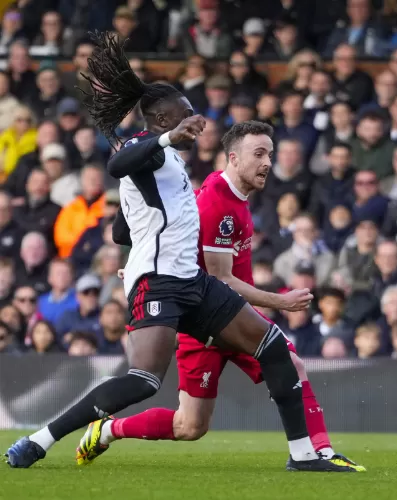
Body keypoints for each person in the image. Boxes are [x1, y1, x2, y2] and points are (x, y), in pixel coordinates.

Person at [5, 33, 349, 473]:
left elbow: (119, 231)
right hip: (159, 284)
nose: (195, 121)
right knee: (143, 381)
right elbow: (117, 166)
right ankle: (39, 439)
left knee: (274, 347)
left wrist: (138, 213)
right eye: (186, 115)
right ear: (162, 119)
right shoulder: (142, 149)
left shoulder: (170, 165)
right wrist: (167, 141)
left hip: (192, 282)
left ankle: (303, 455)